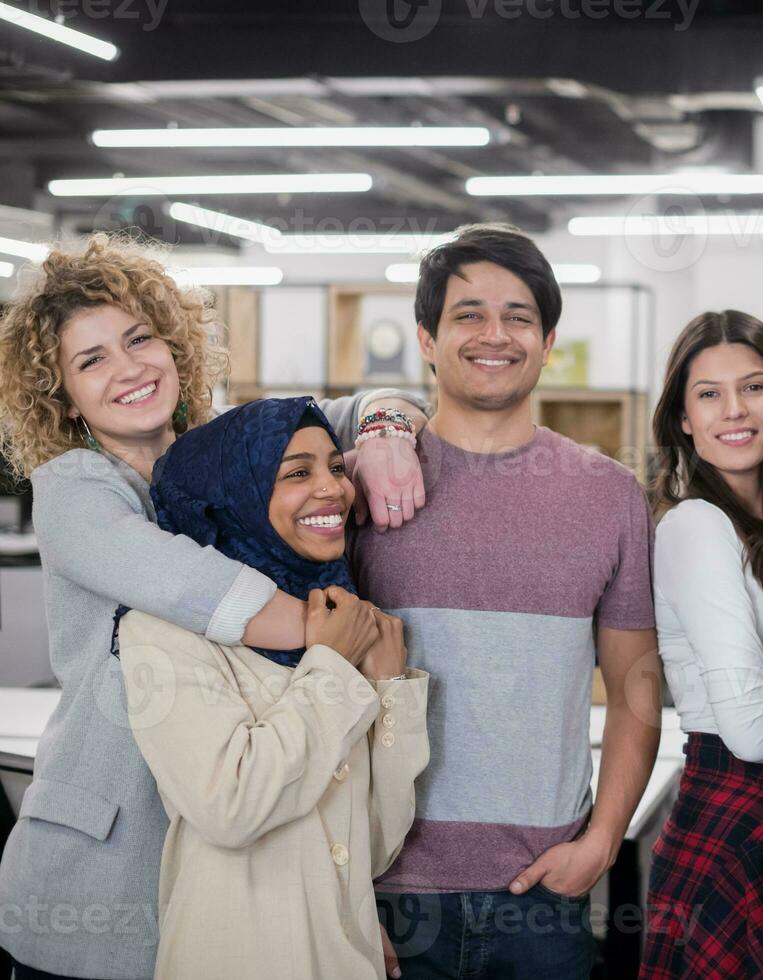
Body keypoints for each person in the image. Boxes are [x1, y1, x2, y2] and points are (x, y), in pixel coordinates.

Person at [0, 234, 427, 980]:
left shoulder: (216, 453)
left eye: (139, 339)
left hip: (235, 867)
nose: (128, 368)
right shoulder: (75, 489)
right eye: (91, 359)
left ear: (174, 344)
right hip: (106, 863)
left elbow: (352, 408)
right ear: (62, 396)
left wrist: (386, 432)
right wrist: (345, 639)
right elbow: (203, 592)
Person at [357, 223, 661, 979]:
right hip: (384, 891)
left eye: (518, 317)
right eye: (468, 315)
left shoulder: (610, 495)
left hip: (541, 895)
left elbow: (636, 690)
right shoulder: (365, 483)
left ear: (548, 340)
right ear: (426, 339)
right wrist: (338, 885)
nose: (495, 335)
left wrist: (603, 839)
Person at [115, 397, 429, 979]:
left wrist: (389, 688)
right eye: (296, 473)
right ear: (232, 496)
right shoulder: (160, 634)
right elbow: (231, 807)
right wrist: (334, 666)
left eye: (336, 467)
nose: (333, 489)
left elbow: (376, 845)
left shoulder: (343, 615)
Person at [640, 310, 763, 979]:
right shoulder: (696, 524)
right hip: (733, 816)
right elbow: (748, 727)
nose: (734, 410)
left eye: (753, 387)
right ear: (683, 419)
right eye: (708, 394)